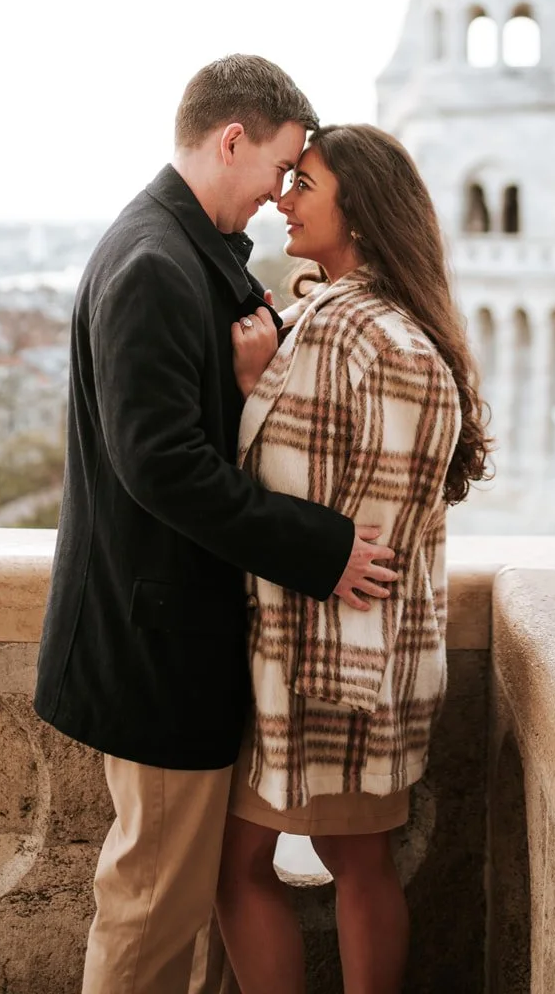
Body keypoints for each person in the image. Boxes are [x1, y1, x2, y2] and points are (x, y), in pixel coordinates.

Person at [33, 58, 399, 994]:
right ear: (230, 140)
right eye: (278, 167)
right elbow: (160, 467)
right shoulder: (155, 263)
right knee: (152, 903)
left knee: (177, 902)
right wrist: (321, 550)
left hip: (171, 632)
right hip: (156, 638)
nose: (282, 192)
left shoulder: (176, 251)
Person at [214, 124, 492, 994]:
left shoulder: (350, 331)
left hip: (320, 660)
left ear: (360, 210)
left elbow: (322, 513)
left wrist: (254, 389)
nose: (283, 199)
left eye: (306, 184)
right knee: (359, 860)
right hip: (371, 656)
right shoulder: (390, 323)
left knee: (240, 870)